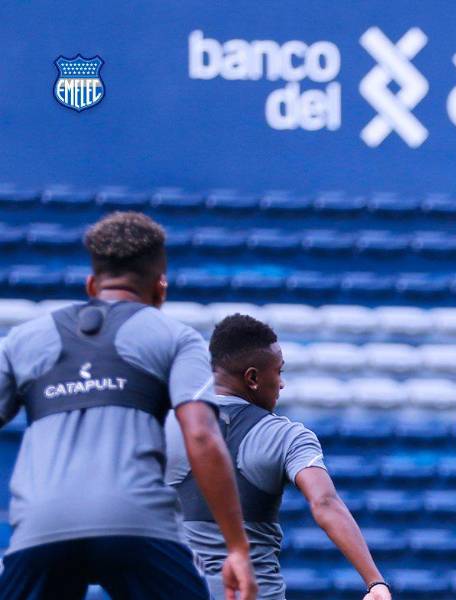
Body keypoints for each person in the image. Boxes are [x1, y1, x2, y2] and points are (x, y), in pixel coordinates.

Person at [0, 212, 257, 600]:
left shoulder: (22, 340)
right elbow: (202, 436)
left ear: (92, 285)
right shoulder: (176, 337)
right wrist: (237, 548)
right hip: (139, 523)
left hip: (41, 525)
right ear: (160, 288)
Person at [165, 313, 392, 600]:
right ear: (253, 378)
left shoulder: (162, 425)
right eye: (279, 372)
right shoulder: (287, 436)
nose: (282, 384)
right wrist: (374, 582)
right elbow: (324, 502)